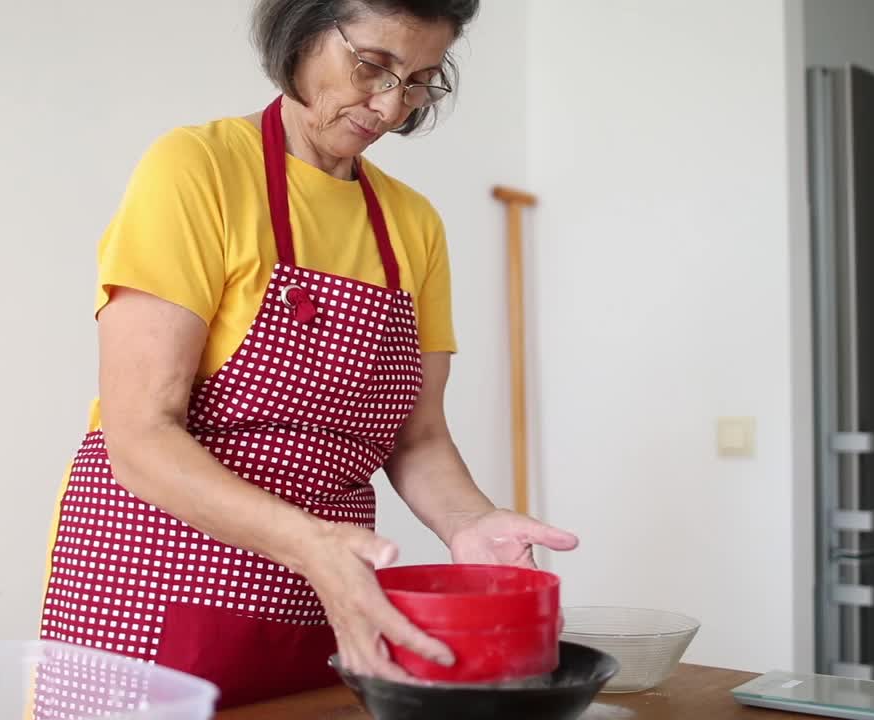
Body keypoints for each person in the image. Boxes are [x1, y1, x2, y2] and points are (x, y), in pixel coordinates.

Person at [37, 0, 578, 708]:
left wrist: (469, 522)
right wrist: (312, 546)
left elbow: (417, 436)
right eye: (372, 66)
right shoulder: (198, 170)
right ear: (300, 33)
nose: (389, 106)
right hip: (157, 592)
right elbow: (140, 436)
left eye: (418, 80)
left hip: (329, 604)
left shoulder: (412, 224)